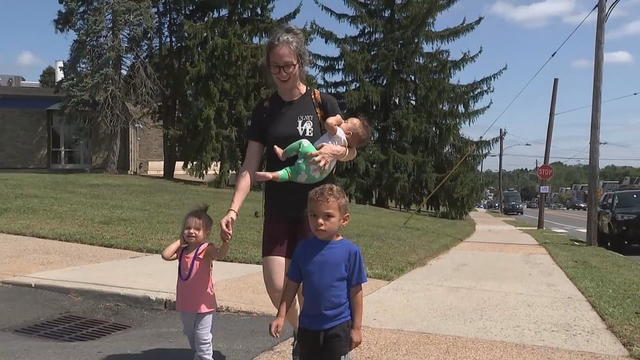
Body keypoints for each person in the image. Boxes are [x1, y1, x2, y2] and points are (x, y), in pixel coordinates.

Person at [218, 24, 356, 359]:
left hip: (316, 211)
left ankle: (321, 345)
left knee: (313, 289)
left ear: (301, 63)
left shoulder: (321, 101)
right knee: (277, 284)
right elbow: (250, 165)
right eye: (274, 67)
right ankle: (305, 335)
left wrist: (341, 151)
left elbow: (349, 147)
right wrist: (233, 208)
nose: (280, 73)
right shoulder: (264, 110)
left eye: (287, 66)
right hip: (278, 207)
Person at [269, 184, 367, 360]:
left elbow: (356, 292)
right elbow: (291, 285)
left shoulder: (351, 252)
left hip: (338, 325)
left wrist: (357, 328)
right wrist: (281, 315)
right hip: (308, 325)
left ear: (344, 220)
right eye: (313, 215)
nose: (319, 221)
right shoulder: (303, 249)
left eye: (328, 216)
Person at [162, 206, 229, 360]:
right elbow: (165, 255)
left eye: (197, 229)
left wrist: (225, 242)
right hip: (186, 303)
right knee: (190, 333)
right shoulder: (182, 251)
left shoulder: (206, 249)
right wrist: (181, 240)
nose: (191, 231)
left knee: (203, 336)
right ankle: (199, 354)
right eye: (187, 228)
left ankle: (206, 357)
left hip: (204, 304)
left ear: (207, 233)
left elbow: (220, 254)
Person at [254, 115, 371, 183]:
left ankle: (284, 154)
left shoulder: (340, 133)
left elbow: (329, 123)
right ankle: (272, 175)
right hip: (316, 176)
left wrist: (337, 119)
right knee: (290, 173)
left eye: (346, 122)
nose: (343, 121)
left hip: (313, 159)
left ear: (348, 133)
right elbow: (352, 153)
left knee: (303, 143)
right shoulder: (344, 146)